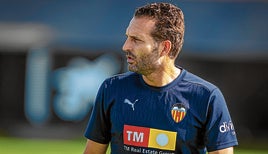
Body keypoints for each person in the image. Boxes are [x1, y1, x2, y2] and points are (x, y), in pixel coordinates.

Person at [83, 2, 238, 154]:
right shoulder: (112, 88)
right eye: (128, 37)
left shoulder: (207, 97)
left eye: (136, 39)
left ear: (164, 47)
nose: (126, 46)